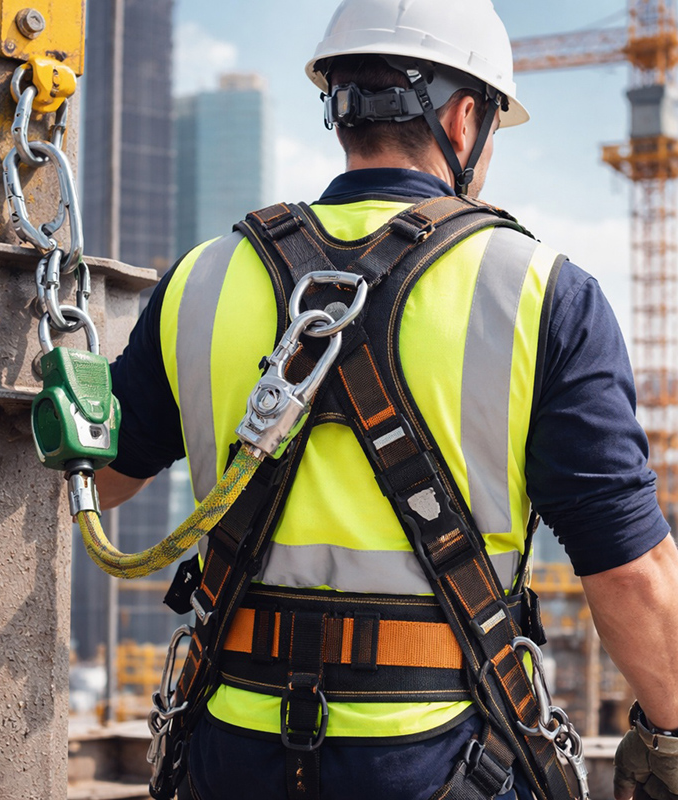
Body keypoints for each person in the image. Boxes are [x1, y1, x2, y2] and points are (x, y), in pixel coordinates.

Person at [95, 1, 678, 799]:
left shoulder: (201, 278)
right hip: (440, 761)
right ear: (466, 119)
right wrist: (672, 732)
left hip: (228, 749)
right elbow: (631, 571)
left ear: (338, 108)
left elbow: (101, 480)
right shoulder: (544, 293)